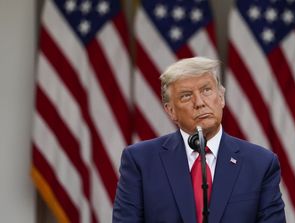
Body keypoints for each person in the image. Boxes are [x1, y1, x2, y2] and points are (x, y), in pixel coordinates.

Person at [112, 57, 285, 223]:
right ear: (170, 110)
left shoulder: (260, 164)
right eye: (186, 96)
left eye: (206, 90)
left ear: (221, 98)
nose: (200, 102)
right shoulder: (140, 161)